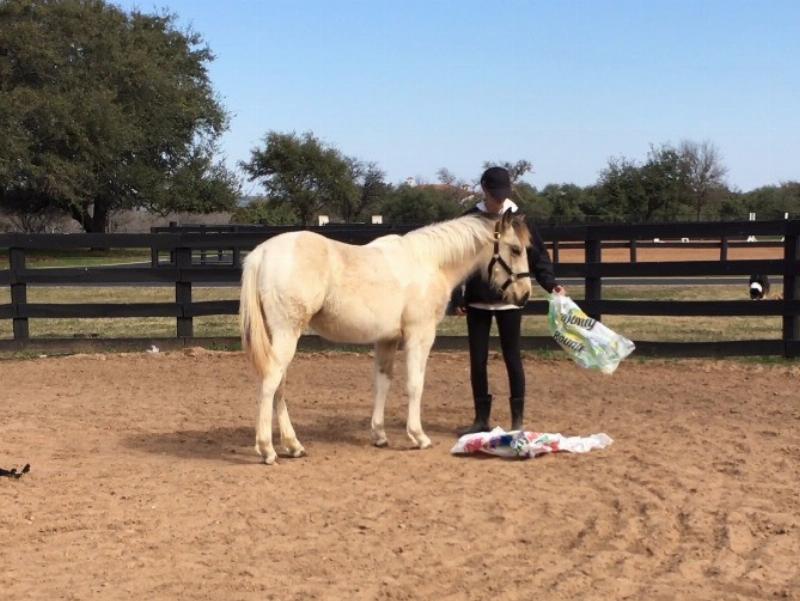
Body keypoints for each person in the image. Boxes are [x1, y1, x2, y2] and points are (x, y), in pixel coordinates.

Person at [451, 166, 565, 434]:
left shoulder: (519, 220)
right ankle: (481, 419)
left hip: (510, 300)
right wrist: (458, 294)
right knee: (477, 361)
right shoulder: (470, 219)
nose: (499, 199)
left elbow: (538, 257)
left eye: (503, 194)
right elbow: (457, 261)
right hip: (478, 300)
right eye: (494, 194)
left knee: (512, 357)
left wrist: (550, 284)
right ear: (484, 190)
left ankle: (517, 421)